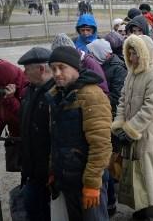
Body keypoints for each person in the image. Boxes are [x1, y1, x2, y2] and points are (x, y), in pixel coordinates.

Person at [45, 46, 112, 220]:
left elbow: (101, 145)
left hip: (89, 182)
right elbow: (56, 140)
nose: (57, 73)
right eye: (53, 69)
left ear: (75, 67)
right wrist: (54, 170)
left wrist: (92, 184)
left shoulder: (92, 95)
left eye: (62, 67)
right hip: (68, 180)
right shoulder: (57, 96)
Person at [112, 35, 153, 220]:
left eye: (134, 51)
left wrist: (130, 129)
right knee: (136, 179)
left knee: (151, 181)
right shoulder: (131, 73)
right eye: (129, 50)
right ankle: (141, 213)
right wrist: (119, 124)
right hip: (132, 138)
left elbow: (150, 108)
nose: (130, 55)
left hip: (148, 140)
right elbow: (122, 100)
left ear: (145, 53)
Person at [87, 39, 127, 216]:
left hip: (111, 118)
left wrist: (97, 102)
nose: (90, 57)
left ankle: (113, 198)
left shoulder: (117, 69)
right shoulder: (103, 65)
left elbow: (118, 97)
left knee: (111, 159)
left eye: (92, 54)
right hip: (105, 116)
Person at [17, 48, 53, 221]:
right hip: (32, 171)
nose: (23, 73)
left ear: (40, 69)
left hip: (47, 174)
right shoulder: (30, 91)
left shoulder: (54, 94)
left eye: (27, 68)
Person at [0, 59, 28, 138]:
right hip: (14, 139)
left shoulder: (27, 90)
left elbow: (23, 121)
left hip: (23, 140)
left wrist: (10, 99)